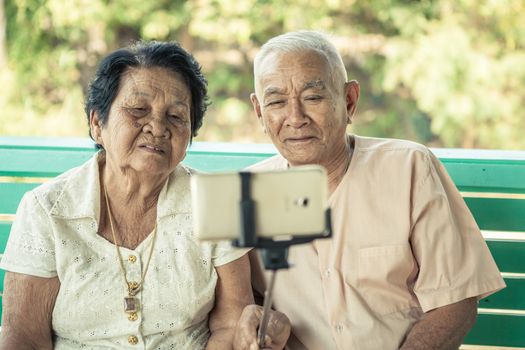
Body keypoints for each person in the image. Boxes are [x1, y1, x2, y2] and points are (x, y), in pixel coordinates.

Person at [233, 31, 506, 350]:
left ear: (349, 101)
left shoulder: (409, 168)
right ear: (259, 112)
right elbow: (240, 305)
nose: (295, 118)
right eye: (277, 101)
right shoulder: (247, 194)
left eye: (313, 97)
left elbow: (455, 302)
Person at [0, 41, 254, 349]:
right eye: (138, 110)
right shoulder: (47, 210)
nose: (158, 127)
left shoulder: (217, 202)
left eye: (176, 116)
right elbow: (25, 337)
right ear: (97, 124)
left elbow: (232, 323)